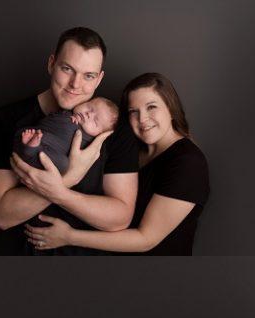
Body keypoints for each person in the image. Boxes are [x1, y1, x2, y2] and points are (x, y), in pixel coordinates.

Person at [0, 26, 138, 255]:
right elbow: (1, 215)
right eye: (67, 69)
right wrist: (70, 177)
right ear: (51, 63)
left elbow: (119, 219)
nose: (75, 84)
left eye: (88, 76)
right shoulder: (4, 121)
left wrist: (61, 194)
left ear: (99, 79)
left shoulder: (114, 129)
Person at [25, 73, 210, 254]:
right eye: (133, 111)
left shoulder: (188, 163)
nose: (142, 119)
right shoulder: (136, 150)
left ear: (171, 109)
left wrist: (70, 236)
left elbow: (146, 239)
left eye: (151, 107)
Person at [14, 98, 119, 173]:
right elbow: (48, 120)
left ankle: (30, 149)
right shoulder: (67, 113)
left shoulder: (91, 143)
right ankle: (29, 146)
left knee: (63, 165)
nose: (88, 114)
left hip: (47, 154)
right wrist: (66, 116)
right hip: (36, 134)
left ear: (100, 134)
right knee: (26, 133)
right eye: (89, 107)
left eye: (95, 121)